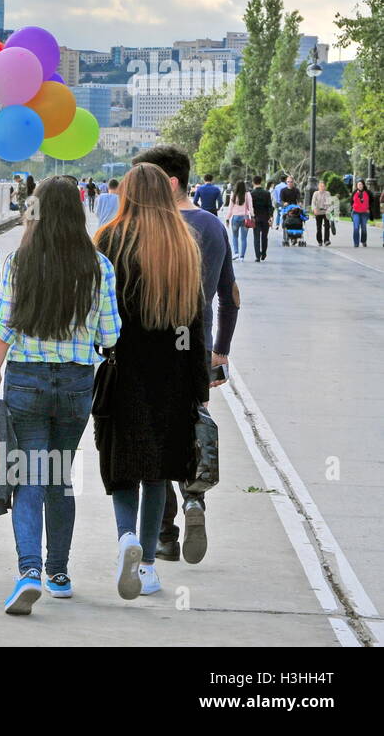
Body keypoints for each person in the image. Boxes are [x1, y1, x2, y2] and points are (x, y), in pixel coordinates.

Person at [0, 177, 121, 614]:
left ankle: (29, 571)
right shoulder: (99, 267)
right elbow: (110, 336)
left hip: (27, 384)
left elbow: (2, 331)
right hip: (75, 386)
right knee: (60, 475)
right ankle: (59, 573)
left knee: (29, 476)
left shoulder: (19, 262)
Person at [94, 163, 211, 600]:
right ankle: (146, 565)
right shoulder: (184, 243)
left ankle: (126, 538)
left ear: (126, 192)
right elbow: (195, 326)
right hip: (174, 376)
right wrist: (199, 387)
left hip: (121, 369)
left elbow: (95, 310)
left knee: (121, 463)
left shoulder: (108, 239)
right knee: (158, 472)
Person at [132, 145, 239, 564]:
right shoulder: (213, 226)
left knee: (154, 436)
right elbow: (230, 296)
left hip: (152, 348)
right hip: (195, 346)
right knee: (190, 426)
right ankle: (195, 500)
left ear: (169, 182)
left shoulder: (149, 227)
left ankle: (163, 534)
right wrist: (221, 351)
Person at [226, 179, 254, 260]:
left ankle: (236, 253)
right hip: (245, 217)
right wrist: (252, 216)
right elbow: (250, 207)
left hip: (235, 218)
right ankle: (242, 256)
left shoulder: (233, 194)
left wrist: (227, 218)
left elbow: (230, 208)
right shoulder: (248, 194)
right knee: (244, 238)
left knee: (235, 236)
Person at [251, 176, 274, 262]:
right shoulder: (267, 193)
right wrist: (271, 216)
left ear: (253, 182)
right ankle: (263, 254)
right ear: (261, 182)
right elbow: (270, 206)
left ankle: (257, 256)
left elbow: (250, 207)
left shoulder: (252, 193)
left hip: (255, 218)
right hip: (265, 217)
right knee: (264, 236)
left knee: (256, 237)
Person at [311, 180, 336, 247]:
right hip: (318, 212)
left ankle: (326, 240)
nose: (322, 187)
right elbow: (313, 203)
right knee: (319, 227)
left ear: (325, 187)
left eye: (323, 186)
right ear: (318, 187)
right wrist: (314, 209)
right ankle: (319, 241)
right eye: (321, 186)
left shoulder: (328, 193)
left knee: (327, 226)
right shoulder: (315, 193)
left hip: (326, 212)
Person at [352, 180, 371, 247]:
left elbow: (366, 202)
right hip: (356, 212)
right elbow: (354, 201)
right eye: (358, 184)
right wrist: (357, 195)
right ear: (357, 186)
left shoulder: (366, 193)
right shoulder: (355, 193)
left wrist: (368, 209)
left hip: (364, 213)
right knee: (356, 227)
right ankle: (356, 243)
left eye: (361, 184)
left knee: (364, 228)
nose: (360, 186)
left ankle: (363, 241)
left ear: (363, 185)